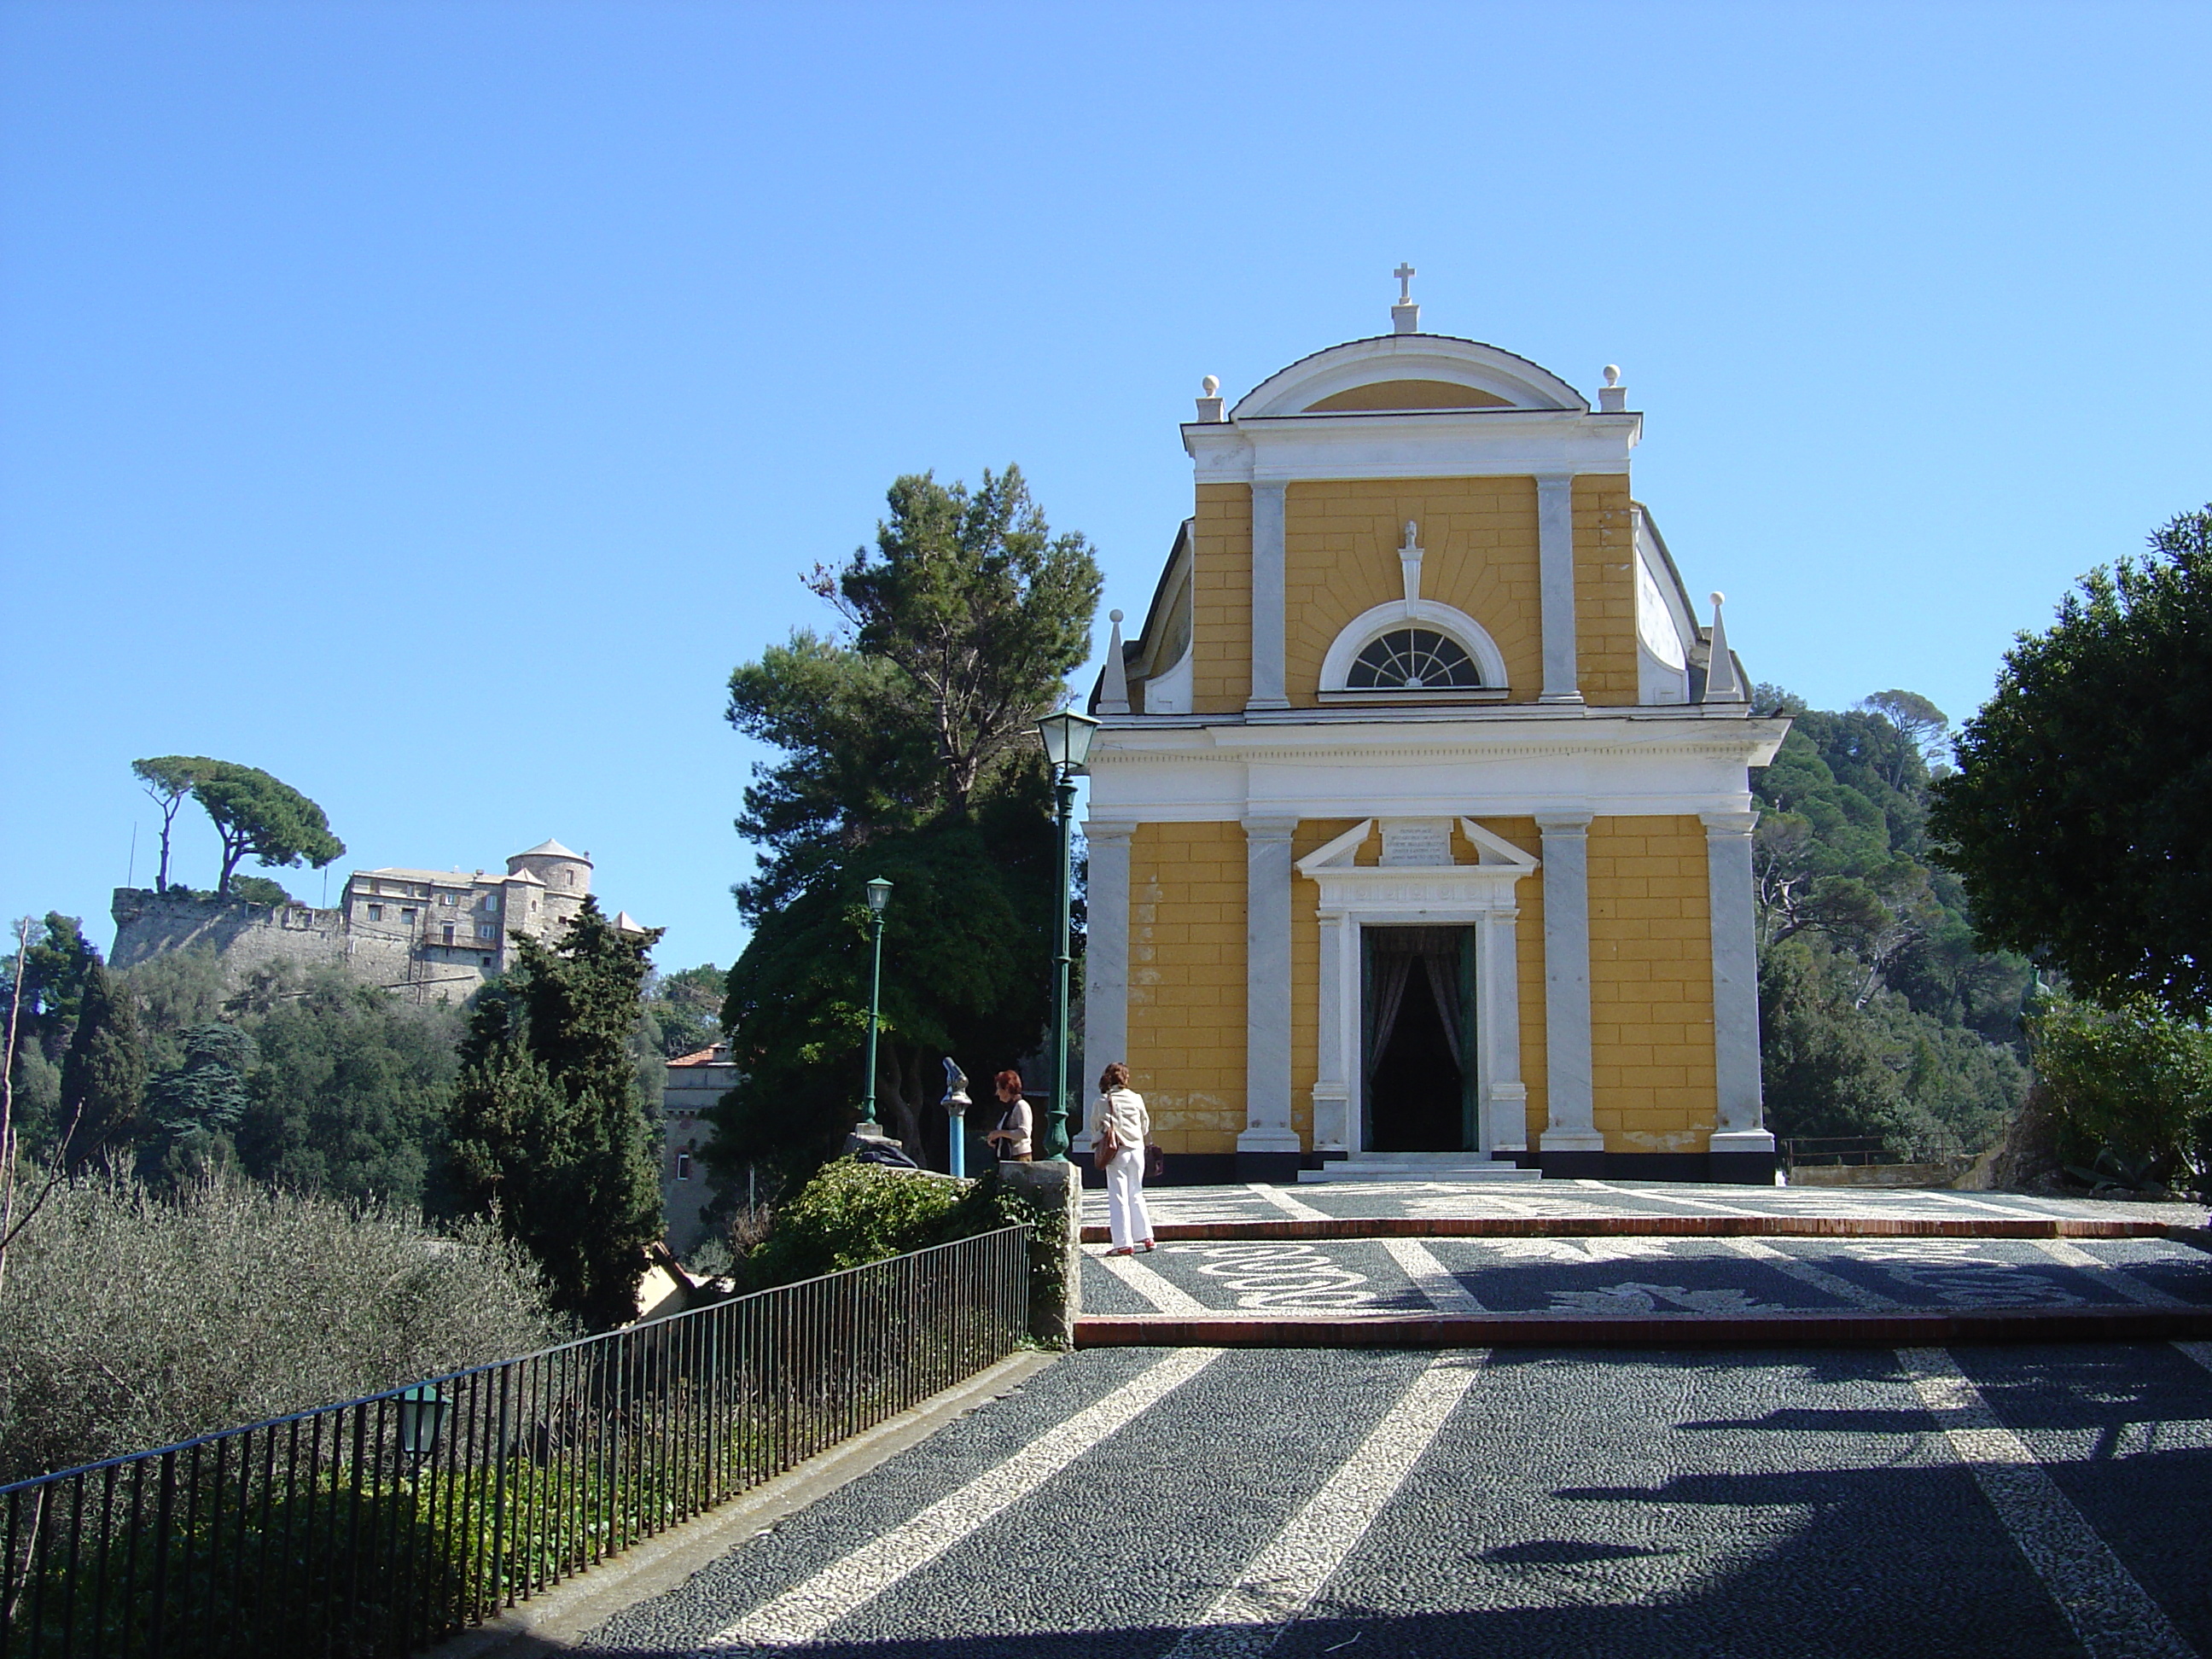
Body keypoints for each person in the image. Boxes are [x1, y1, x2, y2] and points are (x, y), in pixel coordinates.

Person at [1093, 1061, 1155, 1256]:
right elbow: (1145, 1126)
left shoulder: (1102, 1101)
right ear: (1126, 1078)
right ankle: (1147, 1237)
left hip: (1117, 1151)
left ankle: (1123, 1243)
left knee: (1118, 1196)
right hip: (1137, 1150)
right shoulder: (1136, 1098)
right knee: (1136, 1193)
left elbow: (1095, 1128)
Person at [983, 1070, 1033, 1162]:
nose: (997, 1093)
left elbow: (1024, 1133)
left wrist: (1000, 1133)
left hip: (1019, 1158)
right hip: (1007, 1157)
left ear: (1007, 1088)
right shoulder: (1009, 1108)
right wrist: (996, 1140)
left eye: (998, 1088)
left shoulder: (1021, 1106)